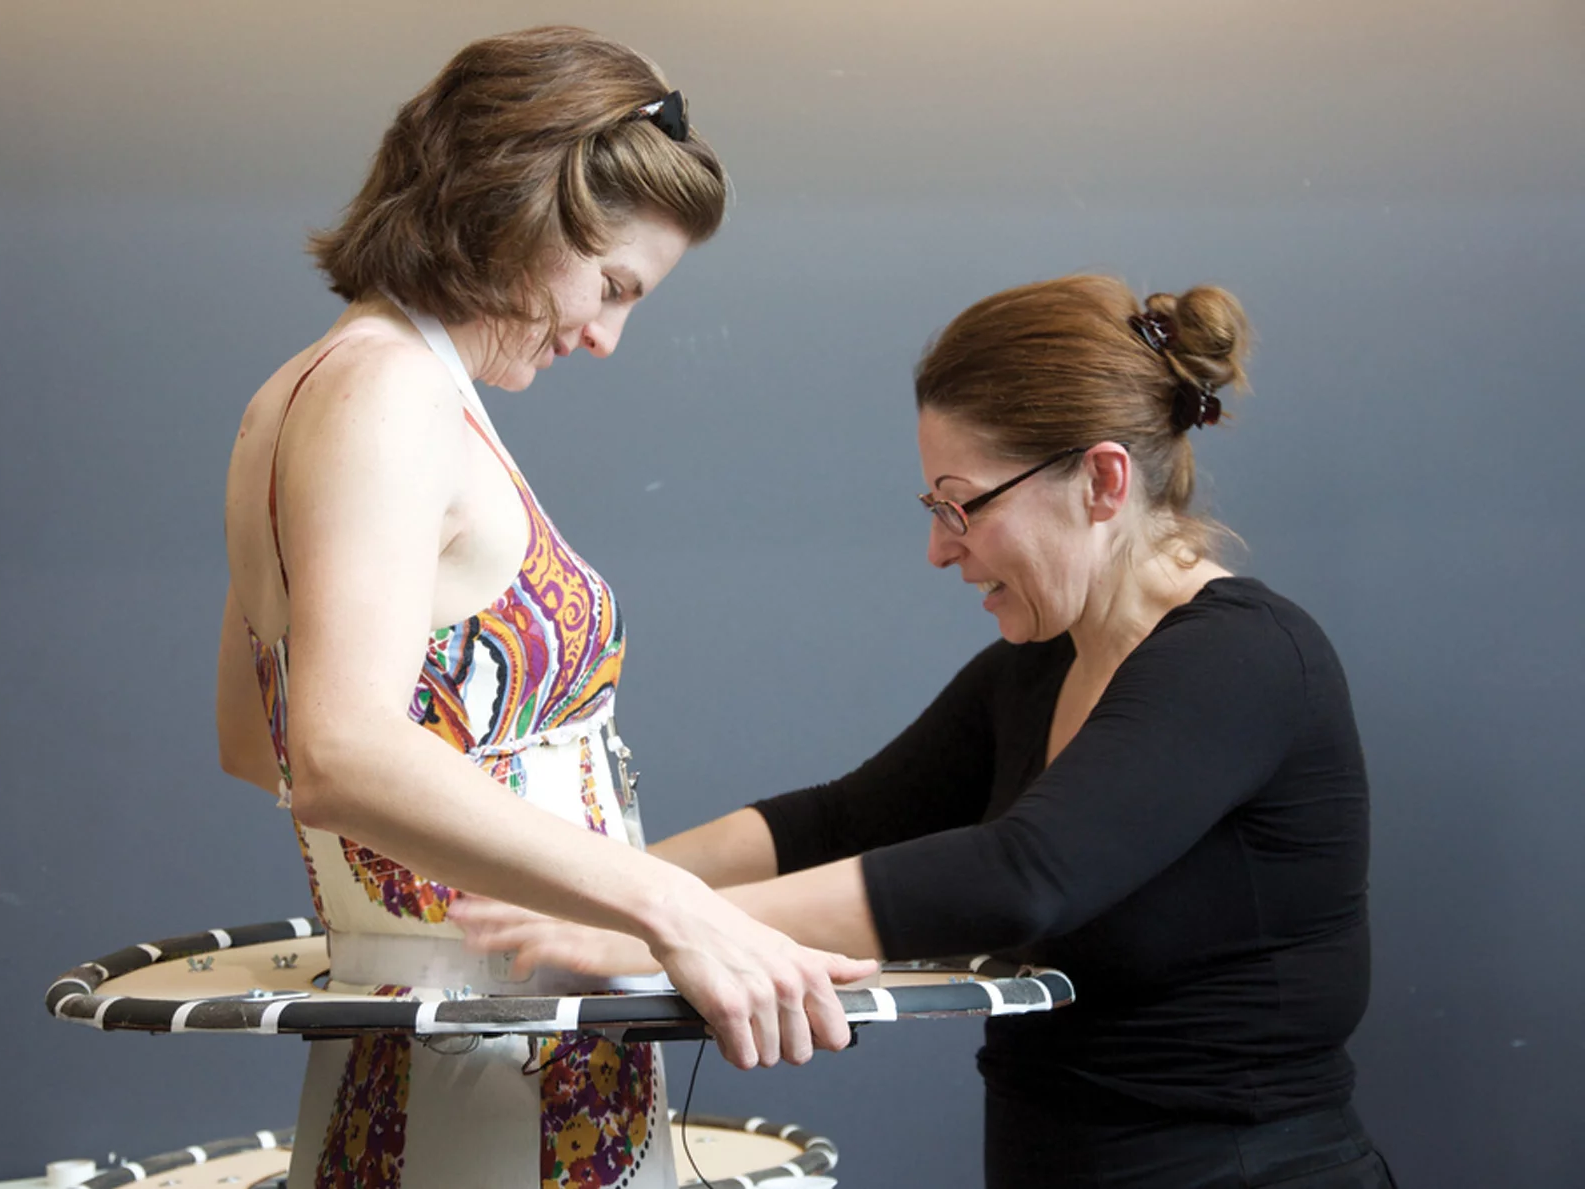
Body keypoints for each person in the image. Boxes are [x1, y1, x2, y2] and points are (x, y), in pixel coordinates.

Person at [455, 275, 1395, 1187]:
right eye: (933, 508)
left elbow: (1023, 875)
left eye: (963, 503)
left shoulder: (1243, 661)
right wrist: (606, 893)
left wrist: (661, 930)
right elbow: (835, 823)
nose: (941, 545)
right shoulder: (1042, 664)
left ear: (1102, 480)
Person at [212, 27, 874, 1189]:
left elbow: (247, 738)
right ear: (522, 207)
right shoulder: (388, 394)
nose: (606, 336)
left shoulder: (309, 389)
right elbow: (331, 748)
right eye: (611, 285)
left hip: (454, 1047)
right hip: (486, 1064)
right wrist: (671, 906)